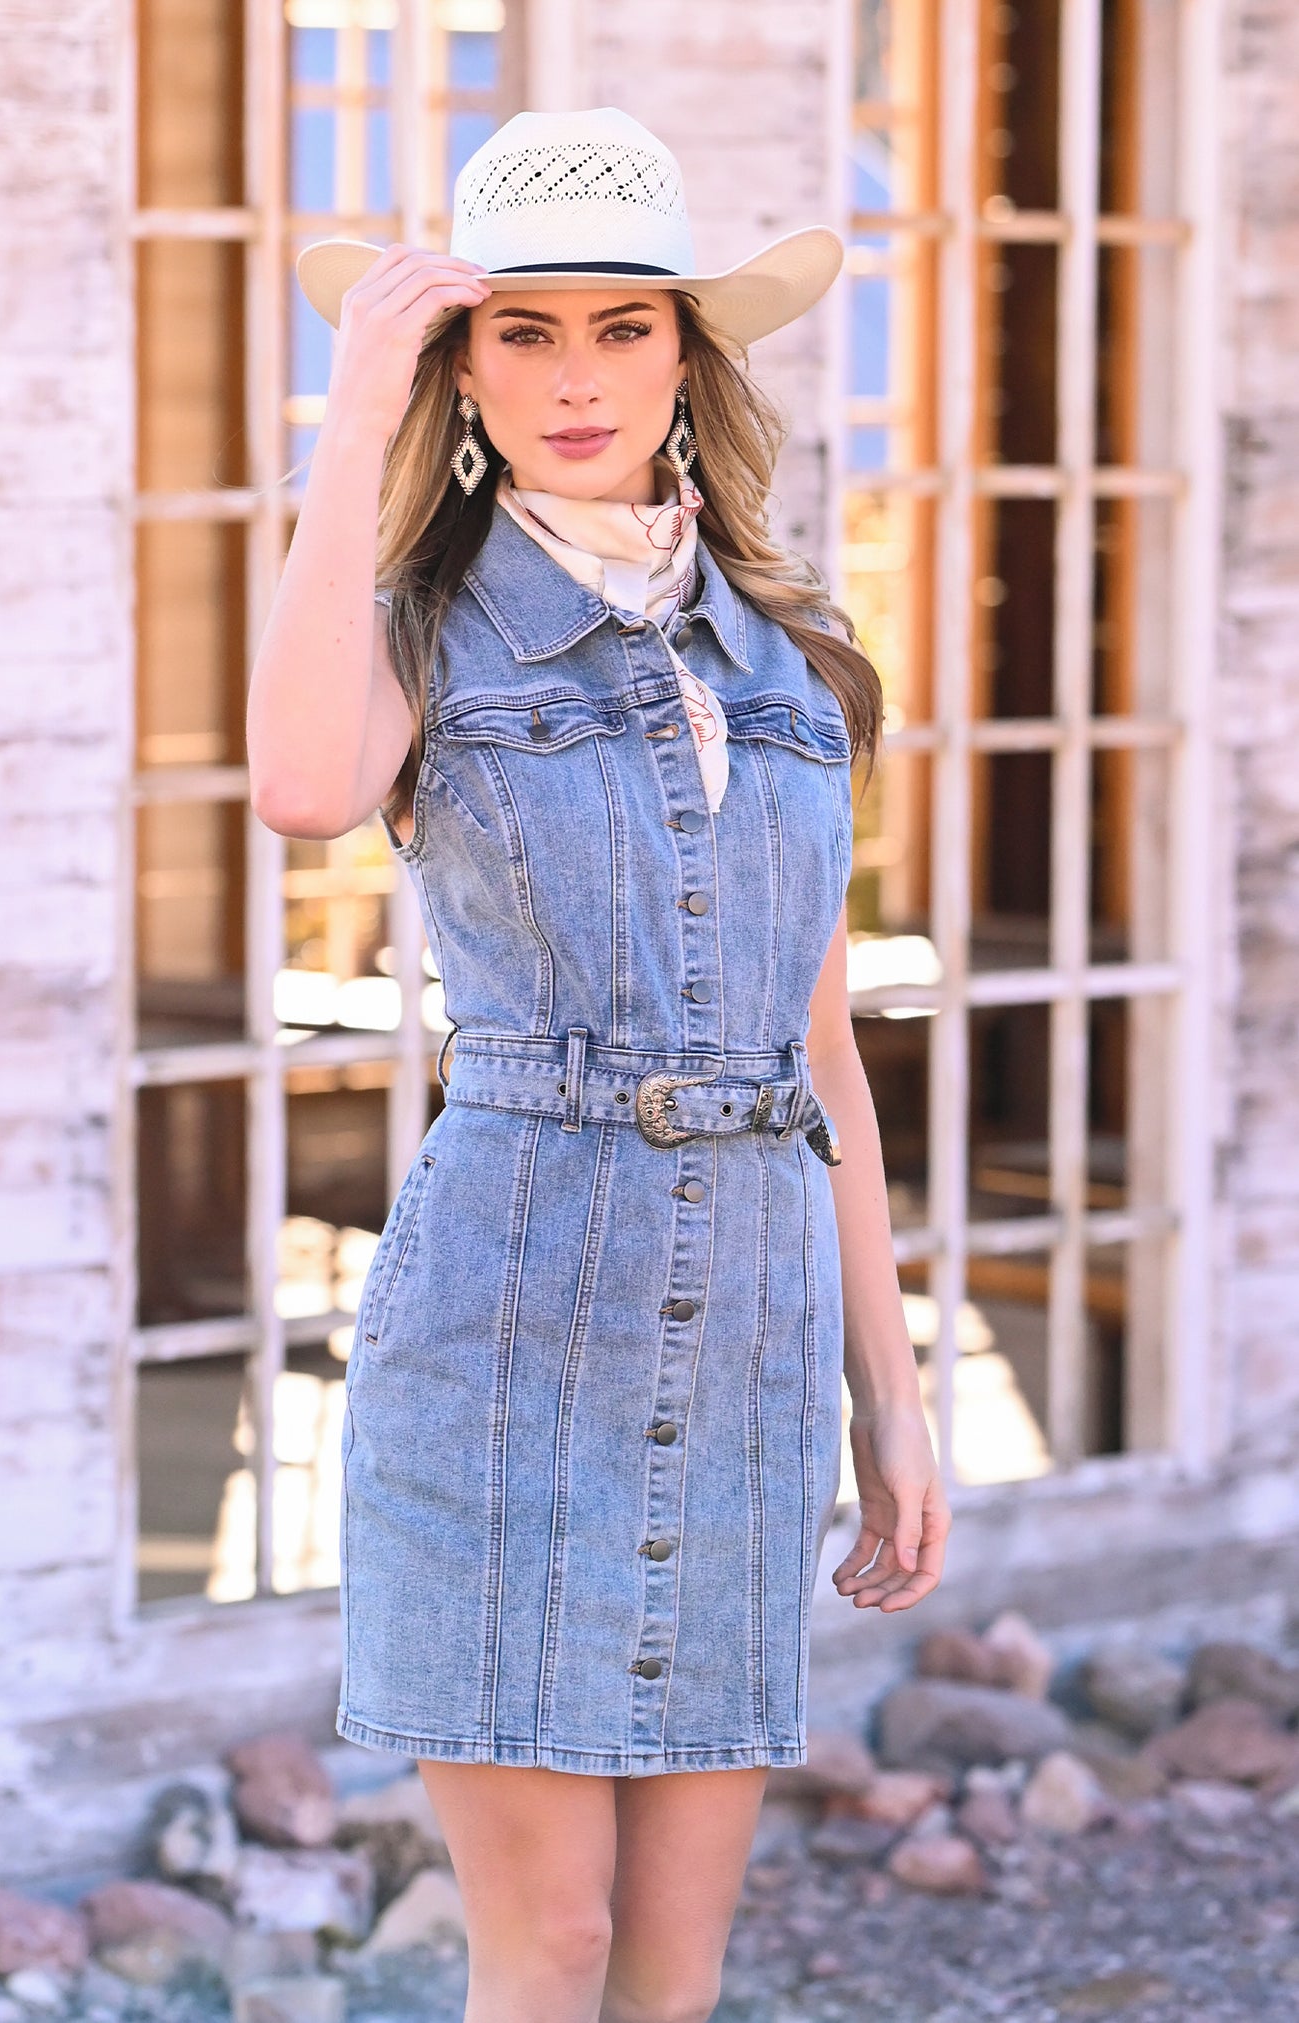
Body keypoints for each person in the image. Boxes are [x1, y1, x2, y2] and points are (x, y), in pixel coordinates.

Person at [248, 105, 949, 2023]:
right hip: (506, 1319)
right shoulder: (418, 621)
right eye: (520, 331)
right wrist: (353, 411)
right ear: (461, 370)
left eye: (620, 326)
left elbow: (820, 1061)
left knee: (674, 1959)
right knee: (546, 1946)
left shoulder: (788, 663)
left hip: (743, 1340)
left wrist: (888, 1395)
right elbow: (303, 787)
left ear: (685, 357)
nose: (575, 375)